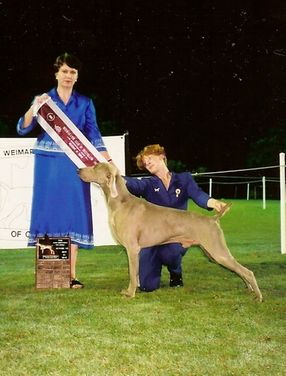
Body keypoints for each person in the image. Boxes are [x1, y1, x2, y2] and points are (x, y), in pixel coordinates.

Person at [17, 52, 112, 288]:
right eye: (65, 71)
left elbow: (94, 134)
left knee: (74, 215)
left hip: (76, 166)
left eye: (73, 72)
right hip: (48, 164)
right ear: (56, 73)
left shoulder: (85, 103)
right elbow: (22, 128)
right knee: (50, 214)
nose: (68, 75)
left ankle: (70, 276)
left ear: (77, 77)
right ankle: (51, 276)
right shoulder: (44, 100)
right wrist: (33, 107)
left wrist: (109, 162)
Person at [123, 144, 226, 292]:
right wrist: (113, 175)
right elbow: (131, 183)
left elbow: (198, 195)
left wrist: (213, 202)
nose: (148, 164)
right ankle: (150, 274)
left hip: (177, 235)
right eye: (145, 163)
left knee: (170, 253)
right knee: (147, 286)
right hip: (151, 239)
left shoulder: (184, 179)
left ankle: (175, 272)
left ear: (162, 157)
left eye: (150, 159)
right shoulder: (148, 184)